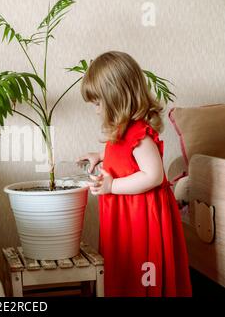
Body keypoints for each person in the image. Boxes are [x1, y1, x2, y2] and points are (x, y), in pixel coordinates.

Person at [77, 51, 192, 297]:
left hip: (141, 216)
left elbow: (152, 175)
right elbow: (124, 158)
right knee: (124, 265)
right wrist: (101, 156)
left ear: (117, 98)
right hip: (124, 214)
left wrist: (111, 186)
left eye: (98, 103)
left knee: (140, 265)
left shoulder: (140, 135)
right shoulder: (121, 130)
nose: (96, 110)